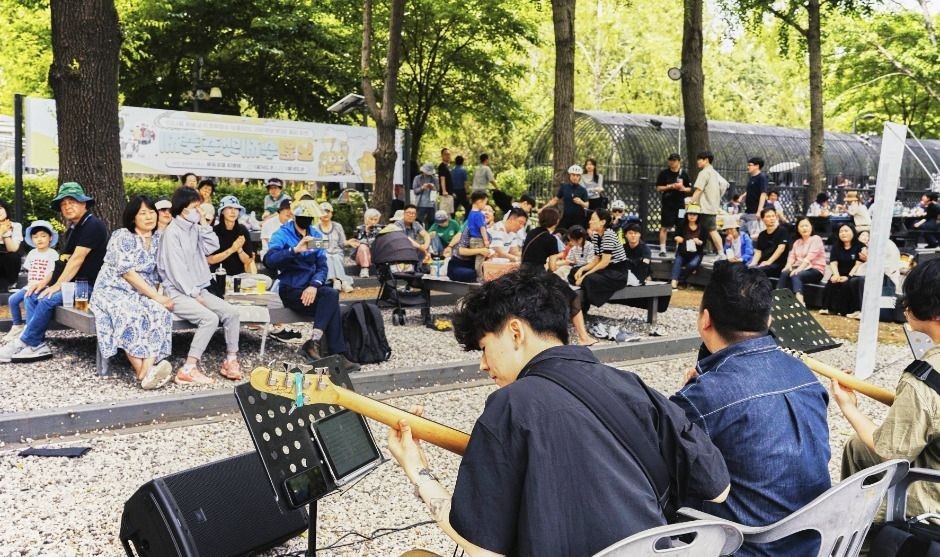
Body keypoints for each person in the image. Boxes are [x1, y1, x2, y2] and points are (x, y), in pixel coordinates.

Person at [386, 268, 730, 556]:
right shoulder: (630, 384)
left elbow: (481, 549)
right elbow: (718, 489)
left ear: (515, 332)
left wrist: (417, 469)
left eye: (484, 347)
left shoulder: (510, 405)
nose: (483, 364)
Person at [671, 261, 830, 557]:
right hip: (809, 542)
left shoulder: (705, 395)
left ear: (705, 320)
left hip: (745, 547)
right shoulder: (804, 374)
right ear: (769, 320)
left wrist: (690, 397)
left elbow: (661, 464)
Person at [833, 258, 940, 543]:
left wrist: (848, 407)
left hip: (932, 498)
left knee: (869, 451)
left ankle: (869, 538)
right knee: (857, 447)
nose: (906, 306)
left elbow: (890, 452)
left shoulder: (924, 379)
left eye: (912, 299)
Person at [0, 182, 109, 362]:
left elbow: (77, 259)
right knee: (31, 294)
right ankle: (37, 343)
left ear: (84, 203)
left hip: (89, 287)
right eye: (63, 204)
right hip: (72, 285)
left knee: (47, 299)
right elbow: (62, 262)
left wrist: (57, 286)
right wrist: (43, 283)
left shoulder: (93, 225)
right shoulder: (74, 229)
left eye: (72, 201)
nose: (67, 206)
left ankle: (25, 341)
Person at [156, 186, 242, 384]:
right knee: (209, 318)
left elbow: (213, 246)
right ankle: (188, 368)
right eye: (195, 207)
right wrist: (195, 294)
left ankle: (231, 360)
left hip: (198, 289)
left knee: (232, 313)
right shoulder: (172, 233)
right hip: (176, 292)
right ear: (183, 208)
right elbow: (176, 271)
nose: (198, 211)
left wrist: (203, 224)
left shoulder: (194, 227)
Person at [90, 196, 174, 390]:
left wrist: (157, 298)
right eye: (142, 213)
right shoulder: (123, 236)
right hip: (113, 290)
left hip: (142, 291)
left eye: (152, 212)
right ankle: (145, 372)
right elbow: (127, 273)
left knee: (159, 312)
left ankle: (145, 373)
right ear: (133, 217)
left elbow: (158, 273)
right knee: (130, 314)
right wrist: (156, 296)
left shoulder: (159, 238)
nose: (149, 217)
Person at [265, 200, 356, 369]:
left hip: (311, 289)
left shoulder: (316, 235)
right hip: (291, 288)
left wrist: (314, 285)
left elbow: (322, 266)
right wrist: (294, 250)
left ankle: (315, 342)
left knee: (331, 294)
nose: (306, 220)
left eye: (310, 217)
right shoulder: (282, 234)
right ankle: (337, 354)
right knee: (332, 305)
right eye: (303, 216)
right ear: (294, 216)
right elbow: (270, 260)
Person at [3, 221, 58, 344]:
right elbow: (29, 270)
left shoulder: (52, 254)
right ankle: (17, 325)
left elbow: (52, 272)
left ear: (50, 238)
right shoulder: (32, 253)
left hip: (44, 286)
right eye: (35, 237)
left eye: (43, 236)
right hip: (30, 286)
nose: (39, 239)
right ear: (32, 239)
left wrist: (42, 285)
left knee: (29, 301)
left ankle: (29, 328)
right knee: (12, 300)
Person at [572, 208, 630, 314]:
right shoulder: (596, 235)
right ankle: (582, 297)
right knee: (574, 271)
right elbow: (596, 260)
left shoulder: (609, 235)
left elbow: (604, 262)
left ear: (602, 222)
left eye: (593, 219)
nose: (590, 222)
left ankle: (583, 306)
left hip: (617, 273)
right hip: (605, 270)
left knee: (588, 278)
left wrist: (584, 276)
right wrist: (582, 269)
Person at [844, 229, 902, 320]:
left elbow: (888, 266)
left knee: (863, 280)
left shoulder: (889, 245)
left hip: (887, 276)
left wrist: (868, 259)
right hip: (873, 273)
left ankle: (866, 312)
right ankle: (858, 309)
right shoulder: (873, 244)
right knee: (854, 281)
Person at [777, 217, 826, 305]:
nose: (804, 228)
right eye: (801, 226)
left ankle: (800, 301)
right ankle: (778, 299)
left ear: (811, 227)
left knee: (796, 274)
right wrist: (788, 266)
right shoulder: (797, 242)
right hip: (799, 267)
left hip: (815, 270)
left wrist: (799, 269)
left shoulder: (816, 239)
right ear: (798, 229)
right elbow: (792, 256)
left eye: (806, 226)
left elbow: (810, 257)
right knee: (784, 272)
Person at [820, 223, 864, 316]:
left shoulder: (860, 246)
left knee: (846, 284)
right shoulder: (836, 246)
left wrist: (848, 277)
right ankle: (826, 308)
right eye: (841, 231)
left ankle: (844, 310)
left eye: (846, 231)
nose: (843, 233)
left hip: (853, 274)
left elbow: (858, 264)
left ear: (853, 232)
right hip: (839, 273)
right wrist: (836, 275)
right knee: (832, 281)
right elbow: (833, 262)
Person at [688, 151, 726, 254]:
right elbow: (724, 185)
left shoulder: (704, 173)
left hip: (705, 207)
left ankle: (721, 253)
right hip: (712, 206)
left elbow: (699, 190)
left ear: (706, 160)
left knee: (712, 230)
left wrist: (690, 203)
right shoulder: (714, 173)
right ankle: (716, 251)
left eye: (700, 159)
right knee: (708, 230)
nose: (697, 162)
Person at [314, 201, 356, 293]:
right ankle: (339, 281)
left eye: (328, 211)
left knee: (336, 257)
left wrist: (348, 242)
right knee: (327, 257)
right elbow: (314, 245)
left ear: (331, 213)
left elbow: (342, 243)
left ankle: (339, 281)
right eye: (323, 211)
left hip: (337, 252)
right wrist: (325, 246)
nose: (325, 214)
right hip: (323, 253)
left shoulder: (337, 226)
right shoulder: (315, 228)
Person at [656, 153, 692, 257]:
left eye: (674, 160)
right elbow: (658, 187)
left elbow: (689, 188)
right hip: (668, 204)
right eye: (670, 160)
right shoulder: (664, 173)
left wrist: (682, 188)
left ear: (679, 161)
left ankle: (678, 248)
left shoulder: (683, 174)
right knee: (664, 226)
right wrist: (671, 186)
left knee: (680, 225)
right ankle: (662, 249)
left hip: (680, 205)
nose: (672, 162)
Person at [208, 195, 255, 276]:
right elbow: (210, 260)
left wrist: (239, 249)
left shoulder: (242, 230)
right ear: (222, 211)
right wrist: (232, 249)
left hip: (239, 276)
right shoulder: (214, 231)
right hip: (217, 275)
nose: (233, 212)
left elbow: (248, 261)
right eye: (230, 208)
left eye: (236, 208)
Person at [748, 208, 789, 277]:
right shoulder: (762, 234)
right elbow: (758, 251)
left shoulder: (782, 231)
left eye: (773, 216)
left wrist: (769, 262)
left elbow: (781, 248)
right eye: (768, 216)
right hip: (763, 263)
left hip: (777, 264)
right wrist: (753, 263)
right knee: (748, 269)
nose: (771, 218)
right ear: (762, 219)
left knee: (758, 272)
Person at [546, 164, 589, 230]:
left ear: (580, 177)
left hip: (578, 220)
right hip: (566, 218)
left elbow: (587, 205)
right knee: (558, 233)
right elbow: (555, 200)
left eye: (577, 175)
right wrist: (543, 208)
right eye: (573, 175)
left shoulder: (583, 190)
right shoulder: (564, 187)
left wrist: (581, 202)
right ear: (570, 175)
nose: (575, 177)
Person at [670, 208, 705, 290]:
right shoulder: (682, 225)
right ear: (687, 215)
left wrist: (699, 242)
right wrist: (677, 238)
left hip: (696, 253)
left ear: (698, 216)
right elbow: (674, 236)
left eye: (694, 214)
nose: (692, 216)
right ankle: (673, 281)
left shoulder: (703, 228)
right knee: (677, 262)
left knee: (692, 264)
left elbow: (704, 243)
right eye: (690, 214)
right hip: (682, 251)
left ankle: (680, 280)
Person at [465, 191, 490, 280]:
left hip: (472, 239)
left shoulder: (470, 213)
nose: (485, 205)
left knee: (476, 259)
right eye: (485, 202)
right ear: (479, 201)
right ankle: (480, 277)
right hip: (479, 240)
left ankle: (478, 276)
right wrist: (486, 240)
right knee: (480, 261)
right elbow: (482, 228)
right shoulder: (479, 214)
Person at [742, 157, 769, 237]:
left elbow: (763, 193)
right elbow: (751, 190)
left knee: (754, 235)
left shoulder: (762, 177)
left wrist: (759, 210)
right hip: (748, 211)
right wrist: (743, 196)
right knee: (741, 232)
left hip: (755, 212)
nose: (748, 167)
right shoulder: (752, 178)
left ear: (757, 166)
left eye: (750, 165)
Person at [0, 200, 23, 291]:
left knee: (13, 256)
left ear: (5, 209)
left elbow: (13, 249)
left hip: (8, 265)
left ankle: (10, 284)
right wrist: (1, 231)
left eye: (0, 208)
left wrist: (6, 233)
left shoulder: (16, 226)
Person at [353, 208, 382, 277]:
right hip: (362, 256)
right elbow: (358, 242)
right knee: (363, 247)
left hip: (375, 255)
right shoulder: (359, 229)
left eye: (375, 219)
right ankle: (364, 269)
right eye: (371, 219)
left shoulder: (380, 229)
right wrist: (366, 232)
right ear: (366, 219)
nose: (373, 222)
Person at [412, 163, 438, 228]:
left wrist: (433, 188)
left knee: (432, 222)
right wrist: (422, 187)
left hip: (431, 204)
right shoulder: (417, 178)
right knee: (419, 221)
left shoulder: (435, 179)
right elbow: (415, 191)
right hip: (420, 204)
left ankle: (430, 233)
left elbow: (437, 190)